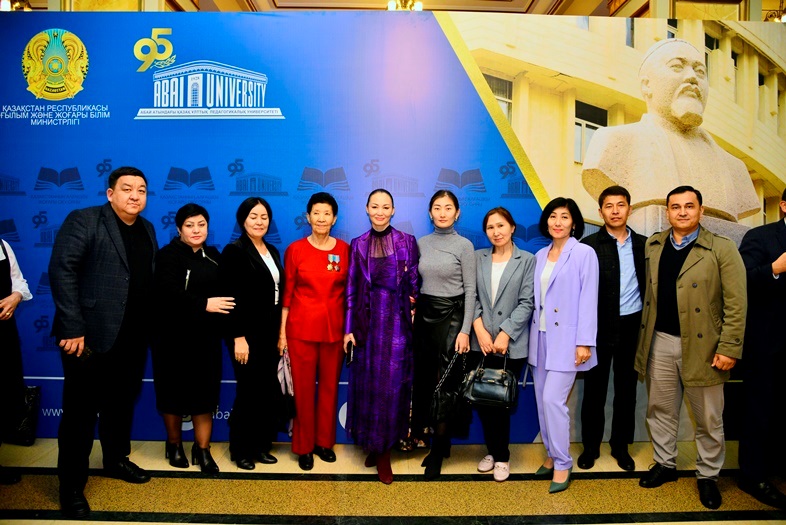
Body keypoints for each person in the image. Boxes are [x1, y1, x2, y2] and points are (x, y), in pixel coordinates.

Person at [49, 166, 158, 519]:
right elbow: (62, 270)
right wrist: (72, 327)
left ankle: (115, 460)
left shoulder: (147, 229)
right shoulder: (85, 220)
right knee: (79, 414)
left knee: (121, 405)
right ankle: (71, 486)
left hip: (132, 338)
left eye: (141, 190)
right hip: (88, 337)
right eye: (127, 188)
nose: (135, 195)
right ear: (110, 193)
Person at [635, 185, 746, 510]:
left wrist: (729, 347)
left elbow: (737, 303)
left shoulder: (721, 248)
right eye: (675, 207)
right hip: (660, 341)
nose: (682, 212)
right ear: (667, 211)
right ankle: (665, 463)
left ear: (701, 210)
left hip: (705, 347)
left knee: (708, 418)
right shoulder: (655, 245)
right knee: (660, 410)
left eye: (689, 206)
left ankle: (708, 476)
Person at [581, 39, 758, 241]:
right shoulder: (613, 142)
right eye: (677, 67)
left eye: (700, 72)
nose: (692, 78)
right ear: (647, 85)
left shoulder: (735, 168)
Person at [152, 203, 234, 474]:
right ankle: (174, 445)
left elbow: (226, 295)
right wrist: (203, 304)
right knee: (172, 394)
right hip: (171, 339)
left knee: (205, 396)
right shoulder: (167, 256)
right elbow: (166, 293)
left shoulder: (214, 256)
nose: (196, 230)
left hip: (206, 340)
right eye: (189, 225)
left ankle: (203, 449)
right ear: (179, 229)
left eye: (201, 224)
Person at [344, 188, 419, 484]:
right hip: (367, 323)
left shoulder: (407, 241)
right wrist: (349, 329)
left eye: (385, 207)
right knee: (369, 386)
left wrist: (413, 307)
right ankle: (374, 445)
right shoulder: (358, 244)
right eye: (374, 206)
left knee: (392, 387)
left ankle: (384, 451)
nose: (380, 211)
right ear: (366, 209)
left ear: (393, 210)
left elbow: (414, 282)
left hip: (397, 323)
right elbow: (351, 289)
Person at [528, 197, 599, 494]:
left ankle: (562, 462)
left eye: (565, 217)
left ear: (574, 223)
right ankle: (551, 453)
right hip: (540, 338)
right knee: (542, 403)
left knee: (552, 401)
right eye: (553, 216)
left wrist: (584, 342)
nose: (558, 222)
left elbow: (589, 298)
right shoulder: (540, 254)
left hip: (568, 341)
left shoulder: (584, 253)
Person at [279, 192, 350, 471]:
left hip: (334, 332)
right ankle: (304, 446)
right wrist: (282, 334)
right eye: (316, 213)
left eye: (327, 213)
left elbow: (350, 295)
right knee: (304, 391)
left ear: (334, 218)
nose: (321, 218)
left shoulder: (344, 250)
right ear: (308, 217)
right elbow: (287, 296)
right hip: (300, 331)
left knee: (330, 389)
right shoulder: (295, 250)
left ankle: (323, 443)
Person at [577, 186, 646, 472]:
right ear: (600, 211)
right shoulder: (588, 246)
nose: (615, 211)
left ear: (630, 209)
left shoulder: (644, 245)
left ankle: (621, 446)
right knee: (594, 391)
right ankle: (590, 447)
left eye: (621, 205)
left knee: (626, 391)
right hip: (598, 327)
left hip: (632, 326)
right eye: (609, 206)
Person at [412, 189, 476, 481]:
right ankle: (441, 442)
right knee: (427, 383)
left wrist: (465, 331)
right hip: (425, 319)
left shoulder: (464, 245)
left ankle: (437, 452)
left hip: (452, 319)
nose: (442, 213)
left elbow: (471, 291)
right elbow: (416, 282)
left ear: (457, 213)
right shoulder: (421, 243)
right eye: (437, 207)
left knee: (446, 387)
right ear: (430, 212)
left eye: (448, 207)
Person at [469, 207, 534, 482]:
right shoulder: (477, 258)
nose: (496, 232)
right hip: (481, 343)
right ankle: (493, 450)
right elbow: (470, 296)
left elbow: (527, 302)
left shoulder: (527, 260)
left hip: (510, 345)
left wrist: (506, 333)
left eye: (501, 225)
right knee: (483, 400)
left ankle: (502, 457)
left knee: (501, 402)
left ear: (512, 227)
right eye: (490, 227)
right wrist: (479, 330)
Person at [219, 197, 284, 470]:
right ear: (242, 220)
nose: (259, 222)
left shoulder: (272, 250)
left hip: (269, 332)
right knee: (248, 391)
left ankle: (260, 445)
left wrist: (280, 333)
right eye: (253, 216)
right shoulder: (234, 252)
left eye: (264, 217)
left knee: (266, 391)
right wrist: (238, 337)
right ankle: (241, 450)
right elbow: (229, 298)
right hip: (245, 334)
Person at [736, 187, 786, 509]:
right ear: (784, 206)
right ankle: (753, 476)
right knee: (760, 411)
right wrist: (774, 270)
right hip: (768, 344)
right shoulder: (760, 236)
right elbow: (741, 280)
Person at [0, 238, 33, 486]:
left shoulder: (2, 246)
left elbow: (19, 281)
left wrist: (15, 297)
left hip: (3, 336)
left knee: (4, 396)